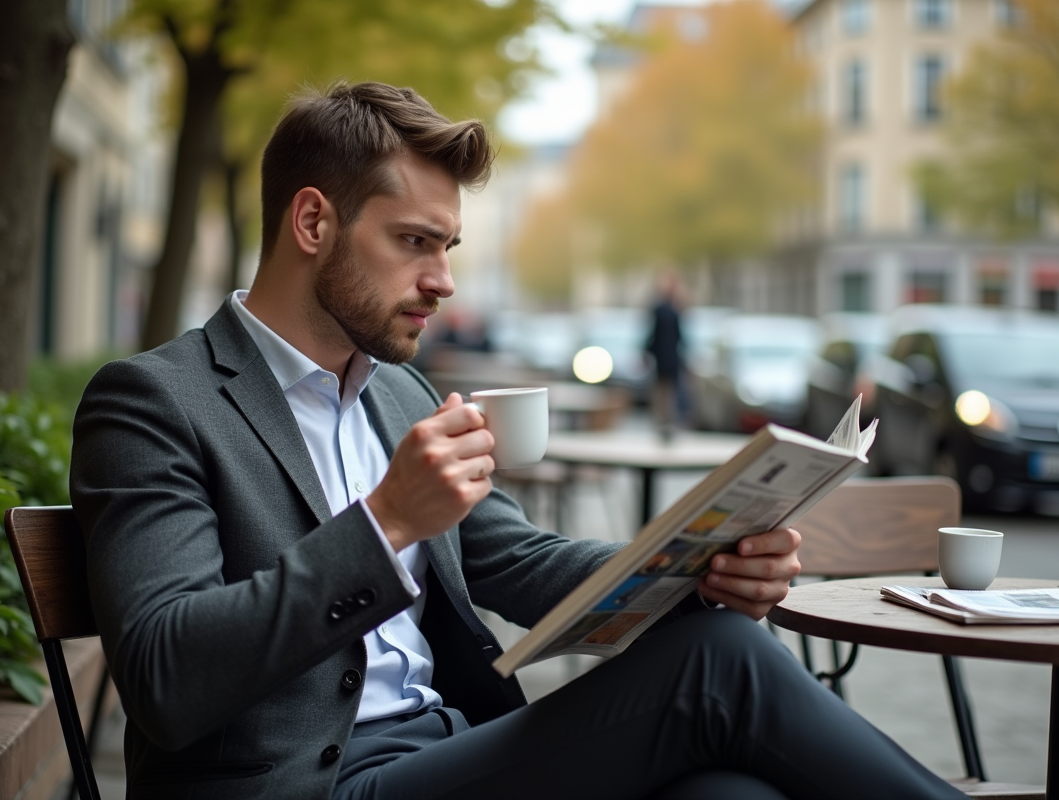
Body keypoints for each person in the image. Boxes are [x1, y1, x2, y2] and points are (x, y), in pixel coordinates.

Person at [70, 81, 966, 800]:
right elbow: (164, 677)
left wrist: (697, 570)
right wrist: (385, 524)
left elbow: (522, 561)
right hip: (305, 784)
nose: (443, 280)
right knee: (719, 666)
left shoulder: (399, 396)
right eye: (415, 241)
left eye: (450, 246)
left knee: (728, 787)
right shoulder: (156, 403)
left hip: (446, 751)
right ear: (312, 223)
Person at [644, 271, 686, 439]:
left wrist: (646, 352)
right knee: (667, 392)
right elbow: (679, 337)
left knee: (663, 392)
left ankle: (663, 421)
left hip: (664, 358)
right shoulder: (673, 309)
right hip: (670, 358)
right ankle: (667, 421)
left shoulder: (662, 309)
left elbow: (654, 335)